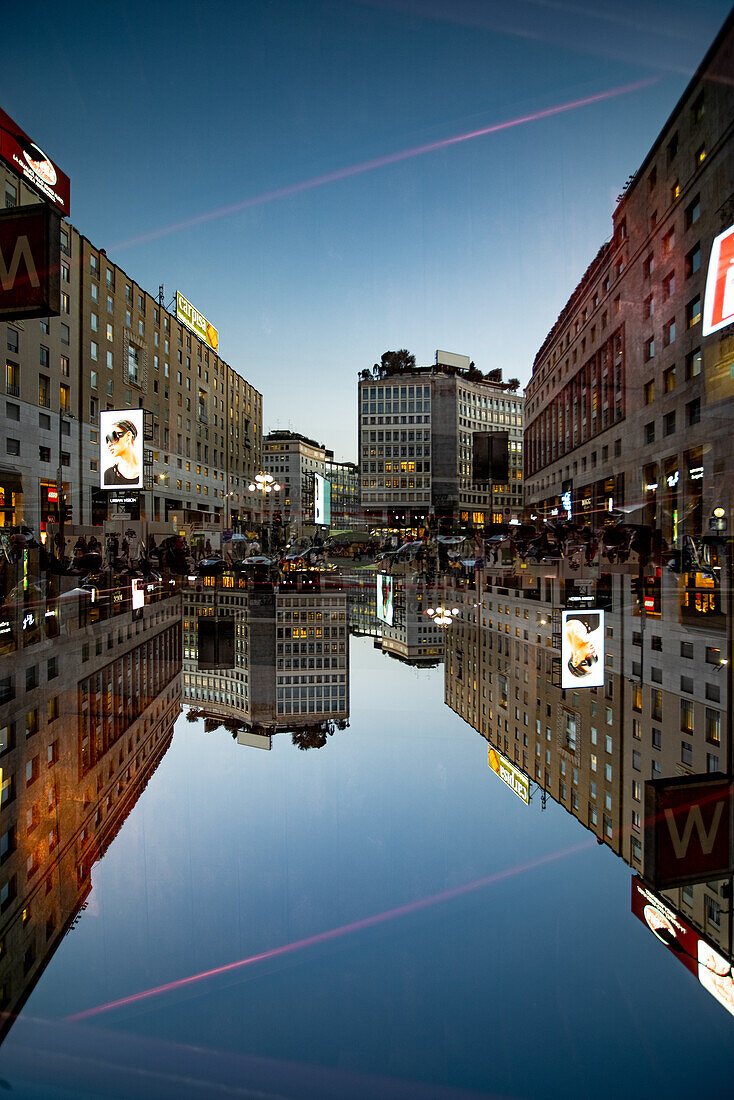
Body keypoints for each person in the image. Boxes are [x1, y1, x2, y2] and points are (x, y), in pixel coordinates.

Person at [103, 419, 141, 486]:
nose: (109, 444)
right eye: (107, 439)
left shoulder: (145, 471)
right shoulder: (109, 474)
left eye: (113, 437)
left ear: (128, 436)